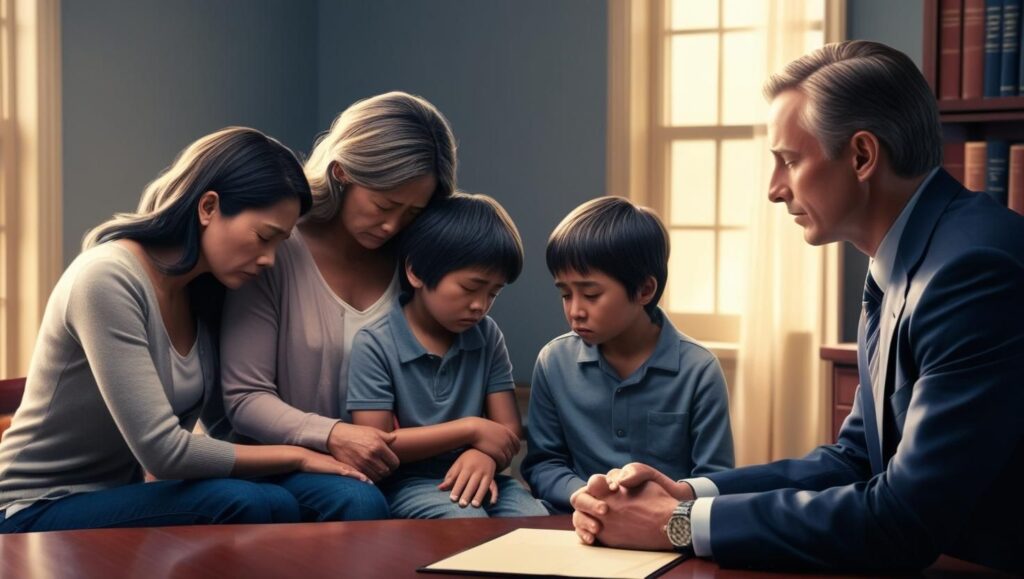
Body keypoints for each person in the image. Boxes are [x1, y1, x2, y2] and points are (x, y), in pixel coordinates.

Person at [570, 40, 1024, 573]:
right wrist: (686, 493)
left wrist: (678, 524)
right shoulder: (908, 259)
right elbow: (854, 460)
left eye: (788, 160)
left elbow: (902, 520)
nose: (773, 189)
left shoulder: (972, 272)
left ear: (861, 156)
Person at [0, 127, 369, 533]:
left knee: (336, 498)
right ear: (208, 207)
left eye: (280, 244)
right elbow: (164, 453)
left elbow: (224, 426)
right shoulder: (106, 278)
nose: (269, 259)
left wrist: (326, 456)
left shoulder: (204, 291)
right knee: (243, 502)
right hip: (32, 508)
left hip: (118, 495)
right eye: (265, 237)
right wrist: (297, 456)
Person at [220, 92, 458, 520]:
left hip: (399, 468)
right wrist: (332, 435)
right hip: (283, 464)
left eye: (411, 213)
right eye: (384, 205)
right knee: (359, 501)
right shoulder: (274, 250)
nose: (392, 225)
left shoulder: (416, 264)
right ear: (341, 173)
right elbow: (245, 398)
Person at [521, 196, 734, 514]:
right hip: (573, 522)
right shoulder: (553, 362)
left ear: (644, 290)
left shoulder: (699, 370)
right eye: (565, 294)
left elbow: (714, 480)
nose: (575, 311)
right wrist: (584, 497)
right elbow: (543, 465)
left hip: (664, 529)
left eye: (591, 294)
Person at [347, 193, 548, 519]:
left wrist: (485, 456)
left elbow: (507, 427)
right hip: (409, 483)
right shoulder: (375, 343)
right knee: (465, 523)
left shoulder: (487, 334)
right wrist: (470, 429)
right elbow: (377, 444)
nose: (480, 305)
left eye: (493, 293)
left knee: (536, 521)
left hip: (485, 473)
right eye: (471, 288)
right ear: (416, 272)